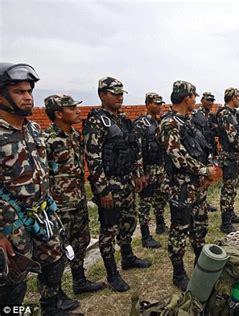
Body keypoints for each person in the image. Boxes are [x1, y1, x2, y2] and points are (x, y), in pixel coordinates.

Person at [0, 63, 79, 314]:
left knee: (54, 264)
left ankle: (51, 307)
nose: (27, 97)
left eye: (28, 91)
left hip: (43, 214)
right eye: (19, 92)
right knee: (13, 283)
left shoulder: (34, 129)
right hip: (10, 223)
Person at [83, 77, 151, 293]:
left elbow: (135, 149)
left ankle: (128, 257)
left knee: (129, 221)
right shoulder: (96, 121)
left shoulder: (123, 120)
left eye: (122, 93)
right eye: (115, 93)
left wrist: (138, 174)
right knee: (109, 228)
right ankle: (112, 274)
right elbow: (93, 158)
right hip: (109, 183)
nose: (120, 96)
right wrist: (103, 190)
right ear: (102, 95)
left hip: (127, 180)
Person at [43, 94, 105, 295]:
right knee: (58, 250)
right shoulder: (47, 140)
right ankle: (55, 294)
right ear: (59, 114)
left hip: (78, 200)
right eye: (72, 108)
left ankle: (80, 281)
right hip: (59, 205)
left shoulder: (75, 136)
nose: (78, 111)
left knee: (81, 242)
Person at [158, 80, 216, 291]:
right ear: (187, 98)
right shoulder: (169, 124)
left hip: (197, 186)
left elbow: (202, 148)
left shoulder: (188, 121)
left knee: (200, 226)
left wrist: (207, 171)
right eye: (194, 97)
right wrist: (203, 171)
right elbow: (178, 157)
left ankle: (201, 265)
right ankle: (178, 273)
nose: (196, 101)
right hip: (180, 187)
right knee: (180, 230)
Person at [133, 92, 169, 248]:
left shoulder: (161, 122)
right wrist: (140, 173)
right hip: (148, 169)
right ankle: (146, 235)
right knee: (145, 202)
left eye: (161, 103)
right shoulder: (141, 123)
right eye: (156, 103)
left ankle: (160, 224)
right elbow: (137, 150)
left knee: (162, 197)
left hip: (161, 167)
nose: (159, 106)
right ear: (148, 104)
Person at [216, 88, 239, 233]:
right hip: (229, 156)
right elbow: (233, 138)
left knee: (233, 188)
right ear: (232, 98)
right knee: (228, 190)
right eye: (238, 97)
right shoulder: (225, 113)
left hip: (234, 157)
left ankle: (231, 215)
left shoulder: (233, 113)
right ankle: (225, 224)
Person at [190, 92, 219, 212]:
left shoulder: (211, 116)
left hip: (208, 150)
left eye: (212, 100)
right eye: (208, 100)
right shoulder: (195, 114)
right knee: (199, 179)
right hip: (198, 151)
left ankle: (203, 201)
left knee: (207, 178)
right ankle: (196, 203)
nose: (210, 102)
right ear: (202, 100)